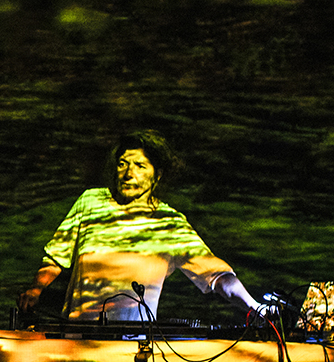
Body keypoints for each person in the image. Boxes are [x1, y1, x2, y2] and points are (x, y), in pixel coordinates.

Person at [18, 130, 272, 324]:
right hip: (76, 339)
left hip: (133, 346)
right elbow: (56, 256)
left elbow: (216, 276)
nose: (129, 173)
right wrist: (36, 289)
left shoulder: (169, 223)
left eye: (140, 166)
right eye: (123, 164)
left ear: (157, 174)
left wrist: (254, 305)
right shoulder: (90, 201)